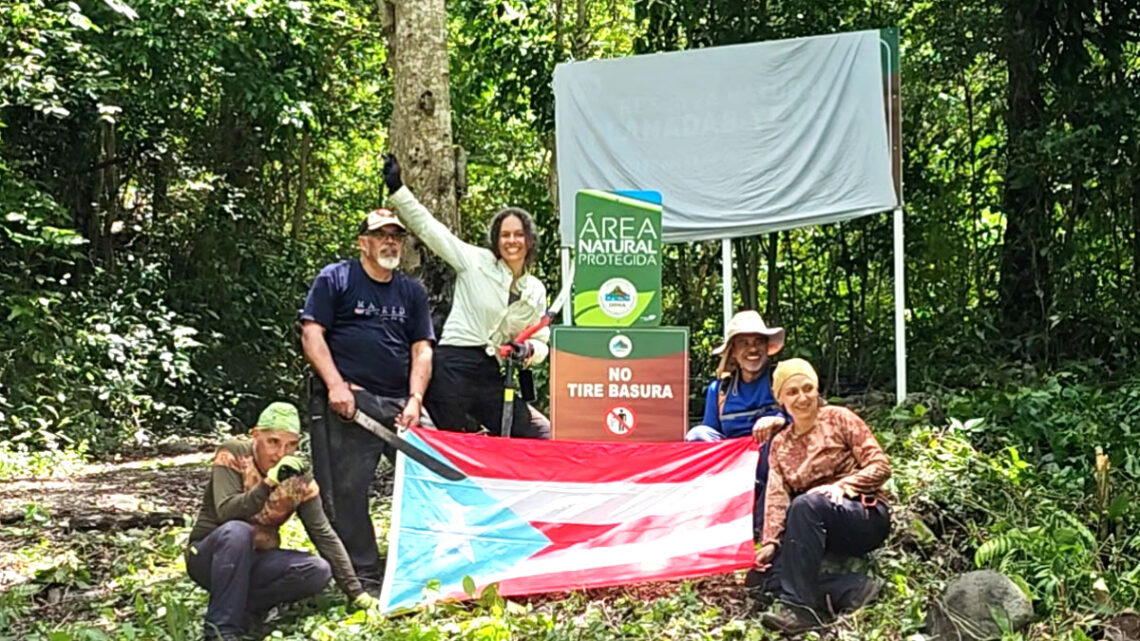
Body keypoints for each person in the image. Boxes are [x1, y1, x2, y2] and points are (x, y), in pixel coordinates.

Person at [300, 208, 435, 593]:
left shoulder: (411, 291)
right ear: (364, 242)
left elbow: (422, 348)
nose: (389, 241)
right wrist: (336, 386)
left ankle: (425, 564)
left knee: (433, 477)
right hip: (353, 402)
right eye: (381, 235)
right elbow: (313, 335)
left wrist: (415, 400)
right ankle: (363, 575)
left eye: (396, 235)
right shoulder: (336, 279)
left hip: (401, 405)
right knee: (347, 491)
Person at [382, 153, 551, 439]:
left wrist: (529, 352)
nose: (512, 241)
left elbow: (541, 341)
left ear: (529, 240)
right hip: (452, 366)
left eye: (518, 235)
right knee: (450, 444)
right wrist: (398, 189)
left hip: (490, 373)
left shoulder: (535, 289)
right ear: (496, 240)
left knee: (540, 433)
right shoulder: (475, 261)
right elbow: (430, 229)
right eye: (505, 235)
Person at [185, 402, 379, 641]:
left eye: (291, 446)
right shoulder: (233, 452)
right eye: (273, 442)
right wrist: (268, 483)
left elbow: (324, 535)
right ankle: (220, 630)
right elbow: (227, 512)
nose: (280, 454)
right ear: (256, 436)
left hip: (256, 560)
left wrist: (356, 592)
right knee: (238, 531)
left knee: (317, 570)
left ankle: (245, 607)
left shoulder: (298, 476)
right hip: (210, 556)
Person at [749, 358, 892, 633]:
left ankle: (800, 611)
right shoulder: (780, 444)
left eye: (808, 388)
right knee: (760, 580)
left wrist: (844, 486)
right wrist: (770, 544)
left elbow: (880, 466)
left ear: (817, 389)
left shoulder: (839, 418)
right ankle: (853, 589)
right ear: (781, 400)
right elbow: (777, 498)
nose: (802, 397)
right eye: (792, 392)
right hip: (815, 528)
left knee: (805, 505)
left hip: (861, 515)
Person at [686, 310, 787, 534]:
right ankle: (708, 514)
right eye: (744, 343)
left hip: (771, 466)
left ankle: (762, 522)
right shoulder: (719, 390)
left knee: (774, 444)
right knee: (696, 435)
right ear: (733, 353)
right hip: (732, 465)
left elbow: (805, 417)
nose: (752, 349)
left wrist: (778, 419)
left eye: (758, 342)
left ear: (767, 348)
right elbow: (709, 434)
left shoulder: (779, 380)